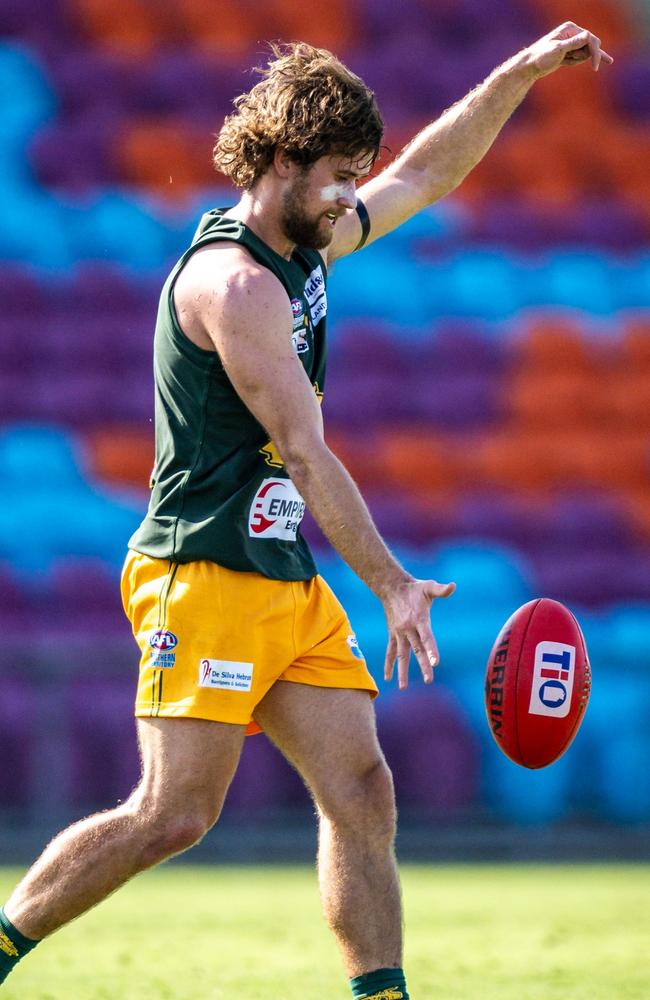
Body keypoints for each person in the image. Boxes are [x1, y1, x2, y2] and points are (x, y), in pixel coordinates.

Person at [0, 21, 612, 998]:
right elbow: (302, 447)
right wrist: (392, 584)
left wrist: (517, 72)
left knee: (361, 790)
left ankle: (383, 995)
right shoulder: (233, 285)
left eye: (350, 176)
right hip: (202, 573)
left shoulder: (311, 235)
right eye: (334, 174)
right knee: (172, 811)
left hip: (281, 573)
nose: (348, 195)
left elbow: (425, 175)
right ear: (281, 161)